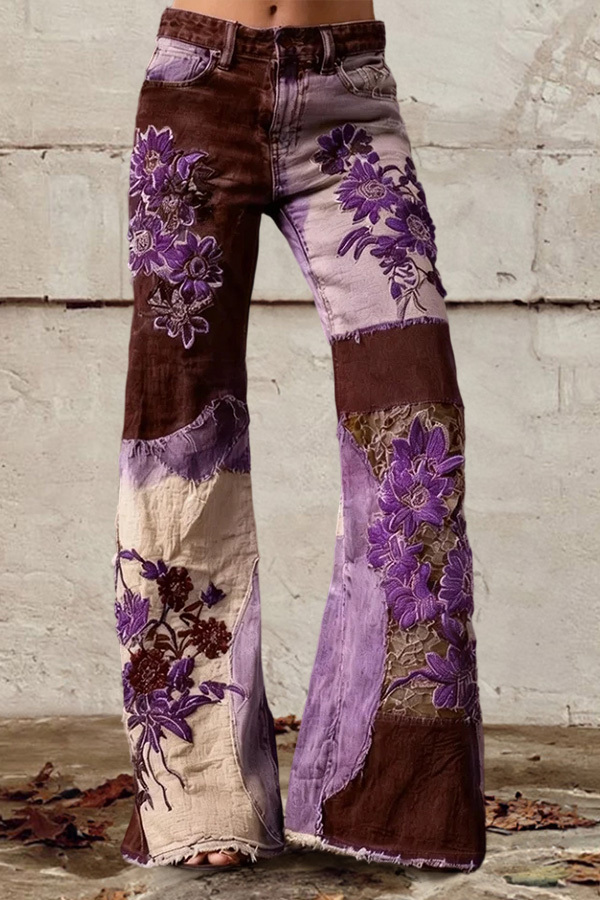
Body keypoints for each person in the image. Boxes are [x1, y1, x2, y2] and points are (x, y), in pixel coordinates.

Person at [113, 0, 486, 873]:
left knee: (416, 428)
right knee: (179, 438)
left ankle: (390, 795)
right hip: (197, 90)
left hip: (349, 97)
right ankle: (203, 801)